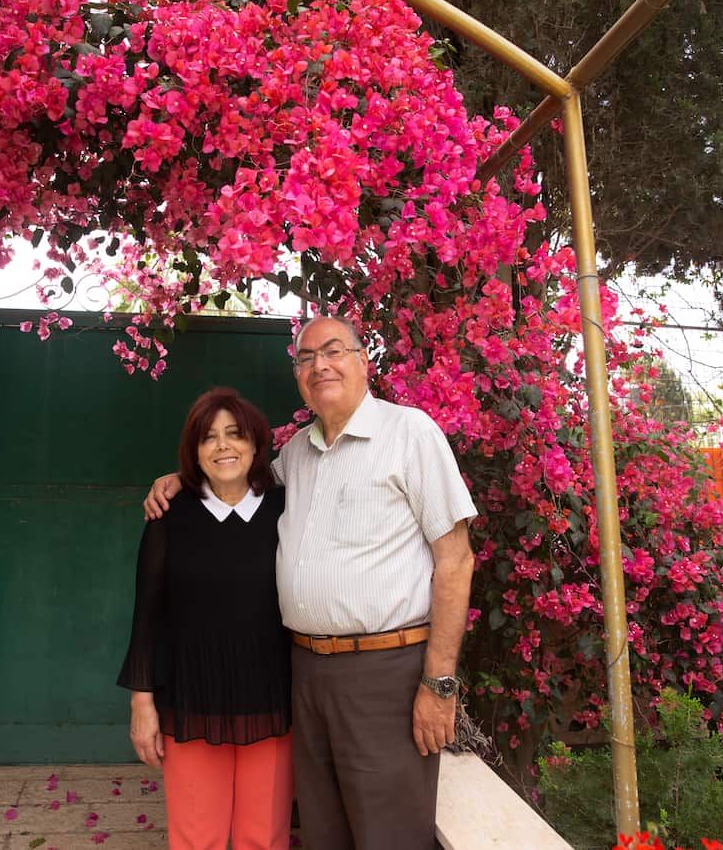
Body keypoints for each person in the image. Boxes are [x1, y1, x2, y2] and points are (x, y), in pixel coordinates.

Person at [145, 316, 477, 850]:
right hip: (302, 671)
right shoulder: (295, 454)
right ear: (298, 375)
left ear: (363, 361)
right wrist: (178, 481)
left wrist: (438, 683)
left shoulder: (410, 433)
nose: (319, 365)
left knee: (389, 832)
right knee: (324, 830)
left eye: (333, 351)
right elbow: (233, 479)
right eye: (305, 357)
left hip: (383, 674)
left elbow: (456, 561)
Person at [118, 387, 295, 850]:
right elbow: (148, 614)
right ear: (193, 453)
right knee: (197, 837)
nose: (222, 447)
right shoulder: (169, 514)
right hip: (191, 695)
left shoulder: (287, 509)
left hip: (272, 697)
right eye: (208, 438)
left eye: (234, 435)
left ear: (256, 444)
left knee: (265, 837)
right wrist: (142, 704)